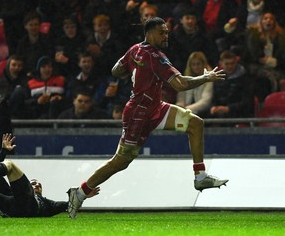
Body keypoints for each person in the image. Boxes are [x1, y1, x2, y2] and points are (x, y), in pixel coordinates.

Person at [67, 17, 228, 219]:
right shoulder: (156, 57)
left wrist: (133, 70)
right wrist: (205, 78)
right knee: (121, 161)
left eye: (167, 32)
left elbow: (116, 70)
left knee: (196, 123)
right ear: (149, 33)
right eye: (162, 32)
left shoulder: (135, 49)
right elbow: (180, 84)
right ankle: (80, 192)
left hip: (155, 108)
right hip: (137, 115)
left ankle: (200, 176)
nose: (166, 36)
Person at [0, 133, 100, 217]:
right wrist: (3, 151)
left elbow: (70, 204)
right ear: (28, 186)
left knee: (10, 166)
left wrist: (85, 194)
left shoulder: (49, 204)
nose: (36, 184)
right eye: (33, 183)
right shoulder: (14, 194)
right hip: (12, 208)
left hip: (22, 207)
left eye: (38, 184)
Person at [210, 50, 255, 119]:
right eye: (227, 64)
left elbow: (247, 102)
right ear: (221, 64)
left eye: (232, 63)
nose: (230, 66)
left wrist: (229, 108)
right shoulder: (217, 79)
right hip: (220, 113)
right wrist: (213, 107)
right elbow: (214, 97)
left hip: (239, 114)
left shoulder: (245, 79)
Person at [176, 52, 213, 118]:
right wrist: (179, 108)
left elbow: (206, 101)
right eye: (193, 64)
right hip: (186, 112)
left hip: (203, 113)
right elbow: (181, 99)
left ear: (203, 64)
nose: (196, 67)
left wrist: (187, 109)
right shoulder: (185, 78)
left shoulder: (209, 78)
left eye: (198, 64)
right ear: (190, 66)